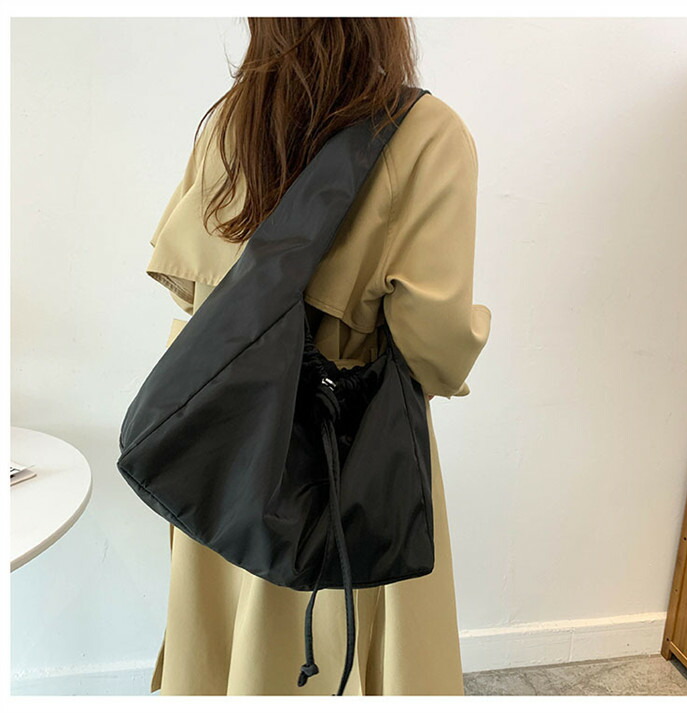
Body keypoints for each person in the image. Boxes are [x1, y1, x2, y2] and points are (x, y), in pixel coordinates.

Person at [144, 17, 491, 696]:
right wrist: (472, 325)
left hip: (226, 445)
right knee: (345, 643)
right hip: (345, 451)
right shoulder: (428, 134)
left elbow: (187, 285)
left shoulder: (230, 123)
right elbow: (436, 346)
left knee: (224, 643)